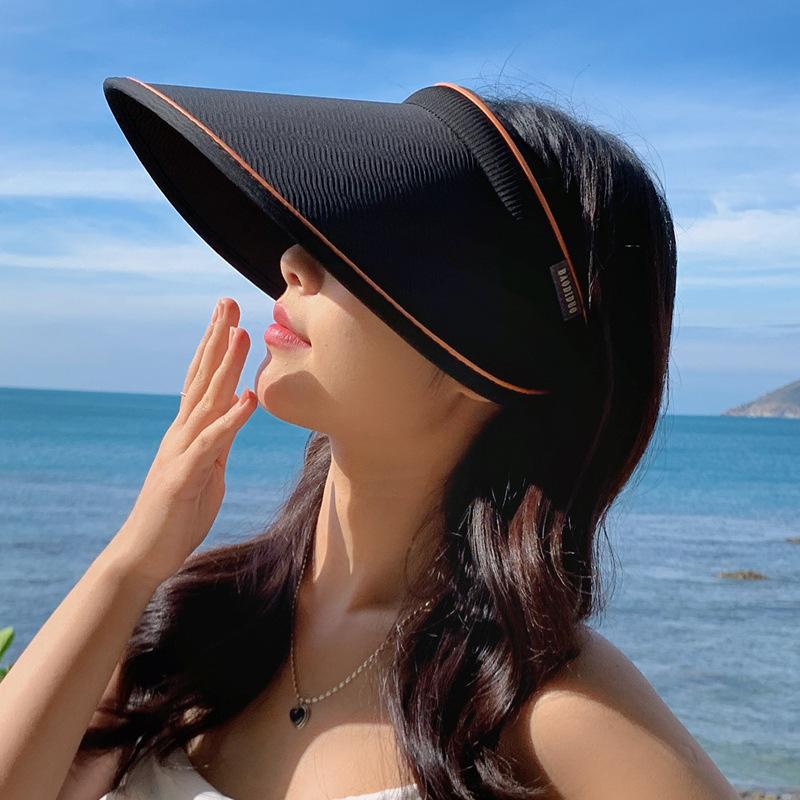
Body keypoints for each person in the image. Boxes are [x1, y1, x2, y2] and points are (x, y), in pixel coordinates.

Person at [0, 81, 742, 800]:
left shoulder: (545, 711)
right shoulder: (188, 628)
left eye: (370, 245)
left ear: (498, 355)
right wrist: (132, 561)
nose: (291, 262)